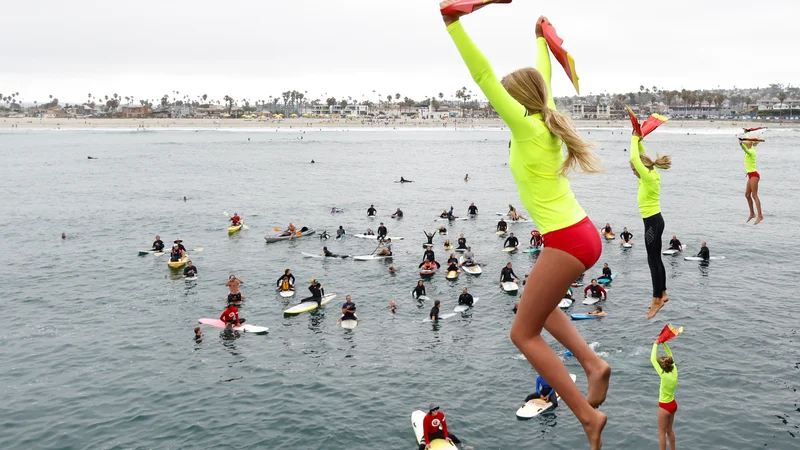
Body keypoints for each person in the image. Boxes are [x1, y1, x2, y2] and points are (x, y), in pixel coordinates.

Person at [446, 13, 608, 446]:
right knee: (536, 307)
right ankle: (593, 364)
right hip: (582, 233)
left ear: (517, 100)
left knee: (523, 332)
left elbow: (480, 74)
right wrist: (540, 38)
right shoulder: (547, 117)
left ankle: (586, 416)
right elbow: (545, 74)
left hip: (566, 239)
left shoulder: (525, 127)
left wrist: (452, 24)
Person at [630, 131, 672, 319]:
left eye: (634, 168)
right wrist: (639, 142)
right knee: (656, 258)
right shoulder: (651, 174)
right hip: (656, 221)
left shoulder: (647, 177)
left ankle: (656, 300)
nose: (633, 171)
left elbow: (634, 158)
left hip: (652, 223)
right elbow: (640, 157)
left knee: (652, 260)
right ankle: (662, 293)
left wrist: (632, 138)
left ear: (641, 168)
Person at [651, 341, 678, 450]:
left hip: (664, 407)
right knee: (669, 430)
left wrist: (656, 343)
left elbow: (652, 359)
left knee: (661, 433)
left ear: (662, 368)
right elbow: (670, 355)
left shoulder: (663, 375)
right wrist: (664, 344)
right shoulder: (674, 371)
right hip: (673, 404)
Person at [740, 137, 763, 224]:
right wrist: (746, 131)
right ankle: (752, 213)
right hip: (750, 175)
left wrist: (741, 144)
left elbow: (745, 150)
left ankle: (760, 215)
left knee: (754, 195)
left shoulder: (751, 152)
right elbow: (746, 137)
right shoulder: (748, 151)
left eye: (746, 143)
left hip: (754, 175)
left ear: (749, 144)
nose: (745, 143)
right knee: (747, 195)